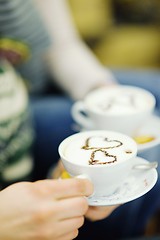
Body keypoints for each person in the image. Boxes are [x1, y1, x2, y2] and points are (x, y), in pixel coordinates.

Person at [0, 0, 160, 240]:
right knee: (145, 149)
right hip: (23, 106)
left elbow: (61, 45)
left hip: (24, 99)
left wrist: (104, 100)